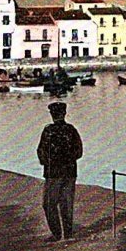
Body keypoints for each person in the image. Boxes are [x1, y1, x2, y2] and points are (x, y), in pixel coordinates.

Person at [36, 102, 83, 242]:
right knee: (67, 203)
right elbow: (79, 152)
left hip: (53, 173)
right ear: (64, 113)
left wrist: (47, 163)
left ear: (52, 114)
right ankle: (68, 234)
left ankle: (56, 234)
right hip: (69, 172)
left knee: (49, 204)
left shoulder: (48, 130)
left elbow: (41, 151)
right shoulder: (71, 130)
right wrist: (68, 160)